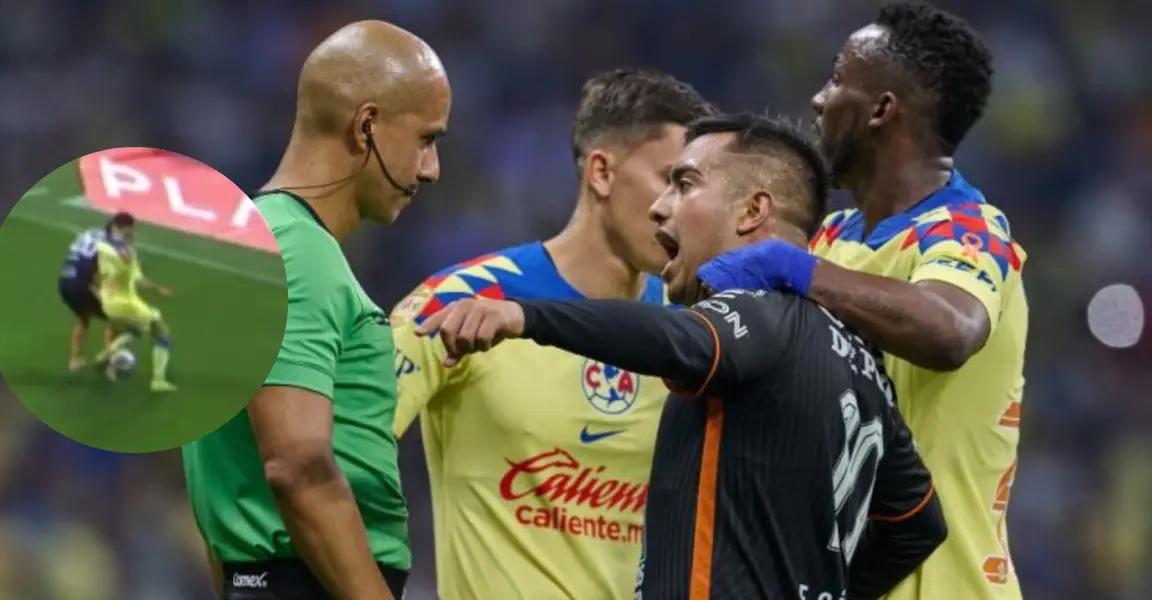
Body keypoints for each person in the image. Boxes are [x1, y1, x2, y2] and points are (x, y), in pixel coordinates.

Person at [417, 113, 948, 600]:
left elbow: (679, 341)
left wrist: (525, 315)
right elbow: (918, 522)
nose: (659, 205)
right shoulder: (863, 360)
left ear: (753, 211)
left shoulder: (761, 312)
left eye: (685, 183)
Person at [698, 4, 1026, 600]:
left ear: (880, 110)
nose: (818, 99)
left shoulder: (969, 230)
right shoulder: (830, 239)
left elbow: (951, 329)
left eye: (835, 79)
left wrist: (795, 270)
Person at [390, 68, 718, 600]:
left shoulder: (694, 333)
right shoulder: (463, 302)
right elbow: (342, 448)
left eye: (691, 189)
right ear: (602, 173)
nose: (675, 209)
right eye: (669, 180)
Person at [180, 20, 451, 600]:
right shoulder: (295, 252)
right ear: (366, 125)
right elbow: (296, 464)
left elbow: (226, 476)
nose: (431, 170)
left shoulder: (245, 243)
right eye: (426, 140)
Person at [86, 212, 175, 390]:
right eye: (130, 230)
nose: (133, 233)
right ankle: (158, 381)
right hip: (126, 304)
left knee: (135, 330)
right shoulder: (122, 251)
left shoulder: (102, 247)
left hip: (108, 303)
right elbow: (137, 280)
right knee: (162, 332)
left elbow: (93, 276)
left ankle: (104, 356)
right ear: (120, 229)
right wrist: (158, 289)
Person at [58, 225, 118, 371]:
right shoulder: (109, 244)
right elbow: (100, 271)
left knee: (83, 318)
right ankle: (108, 359)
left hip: (65, 281)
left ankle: (75, 360)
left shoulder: (89, 233)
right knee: (115, 318)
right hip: (82, 284)